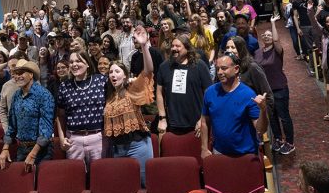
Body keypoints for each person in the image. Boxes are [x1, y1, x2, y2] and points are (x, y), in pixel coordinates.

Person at [105, 26, 156, 184]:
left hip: (138, 145)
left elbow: (148, 71)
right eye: (111, 72)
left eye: (117, 71)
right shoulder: (108, 96)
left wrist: (144, 46)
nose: (113, 74)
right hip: (117, 149)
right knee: (125, 186)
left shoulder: (132, 89)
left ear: (125, 75)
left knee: (144, 184)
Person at [200, 53, 268, 157]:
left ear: (236, 69)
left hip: (245, 154)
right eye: (218, 69)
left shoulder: (248, 94)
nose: (219, 72)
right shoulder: (210, 92)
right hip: (219, 152)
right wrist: (204, 148)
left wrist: (263, 110)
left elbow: (260, 130)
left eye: (224, 68)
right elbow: (204, 121)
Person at [0, 60, 55, 171]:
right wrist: (5, 149)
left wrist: (33, 154)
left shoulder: (44, 95)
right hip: (22, 148)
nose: (17, 76)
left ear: (31, 75)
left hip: (41, 150)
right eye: (16, 74)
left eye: (21, 73)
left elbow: (46, 129)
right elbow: (12, 125)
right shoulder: (16, 96)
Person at [56, 51, 107, 165]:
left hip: (98, 138)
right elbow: (60, 115)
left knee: (99, 176)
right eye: (71, 62)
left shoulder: (101, 80)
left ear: (88, 63)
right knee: (76, 177)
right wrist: (61, 137)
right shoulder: (64, 86)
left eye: (78, 61)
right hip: (74, 140)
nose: (74, 64)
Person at [156, 35, 212, 138]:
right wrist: (162, 118)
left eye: (178, 46)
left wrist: (202, 119)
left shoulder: (199, 66)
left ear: (187, 48)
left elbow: (209, 93)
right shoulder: (164, 67)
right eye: (172, 46)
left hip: (196, 124)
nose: (174, 49)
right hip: (172, 123)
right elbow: (159, 93)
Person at [255, 20, 295, 155]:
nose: (266, 36)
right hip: (266, 90)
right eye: (264, 35)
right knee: (272, 117)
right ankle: (277, 139)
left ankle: (289, 142)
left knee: (284, 116)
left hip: (279, 87)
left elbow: (277, 41)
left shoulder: (277, 50)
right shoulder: (257, 53)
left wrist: (272, 24)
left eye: (269, 35)